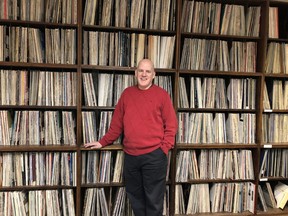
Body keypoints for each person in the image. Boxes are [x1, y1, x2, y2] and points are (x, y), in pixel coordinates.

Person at [84, 58, 178, 216]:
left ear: (154, 75)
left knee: (154, 203)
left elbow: (171, 125)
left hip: (154, 156)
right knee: (136, 200)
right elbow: (117, 125)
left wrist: (164, 149)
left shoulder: (162, 95)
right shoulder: (127, 94)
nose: (144, 74)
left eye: (148, 71)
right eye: (141, 70)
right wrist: (102, 142)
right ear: (135, 73)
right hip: (131, 157)